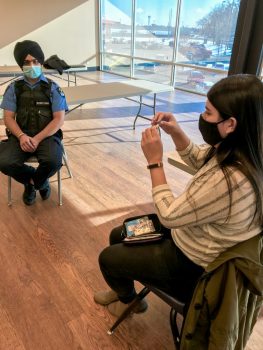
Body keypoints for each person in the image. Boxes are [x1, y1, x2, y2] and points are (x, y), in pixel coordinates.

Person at [94, 74, 263, 319]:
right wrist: (175, 132)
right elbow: (200, 159)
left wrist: (154, 162)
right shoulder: (244, 149)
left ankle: (129, 301)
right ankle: (123, 289)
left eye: (207, 113)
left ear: (230, 124)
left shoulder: (231, 180)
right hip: (190, 235)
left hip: (192, 264)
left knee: (108, 258)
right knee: (118, 234)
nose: (202, 118)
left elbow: (169, 216)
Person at [0, 40, 68, 205]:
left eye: (36, 61)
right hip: (20, 135)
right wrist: (22, 136)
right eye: (27, 62)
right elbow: (8, 118)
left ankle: (31, 184)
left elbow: (59, 119)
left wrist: (37, 139)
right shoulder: (13, 88)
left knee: (53, 161)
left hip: (47, 136)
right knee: (4, 162)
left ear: (41, 62)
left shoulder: (53, 88)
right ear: (21, 65)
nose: (32, 65)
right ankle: (39, 182)